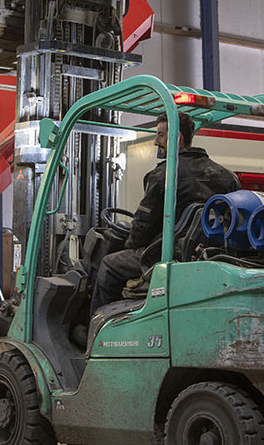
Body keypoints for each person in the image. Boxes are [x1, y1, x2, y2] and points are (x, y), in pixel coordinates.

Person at [89, 111, 239, 315]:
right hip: (209, 255)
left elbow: (142, 227)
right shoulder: (227, 177)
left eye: (160, 135)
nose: (155, 142)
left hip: (168, 254)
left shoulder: (163, 175)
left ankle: (96, 328)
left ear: (176, 138)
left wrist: (128, 243)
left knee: (108, 265)